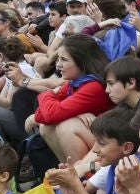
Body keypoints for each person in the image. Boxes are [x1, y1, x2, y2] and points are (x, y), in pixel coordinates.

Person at [26, 34, 111, 164]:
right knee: (45, 126)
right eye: (58, 59)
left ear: (82, 62)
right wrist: (75, 113)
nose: (58, 65)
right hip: (97, 137)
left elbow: (50, 114)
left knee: (67, 126)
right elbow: (41, 115)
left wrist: (46, 94)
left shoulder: (94, 86)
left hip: (109, 143)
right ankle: (67, 170)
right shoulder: (75, 81)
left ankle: (81, 177)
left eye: (64, 60)